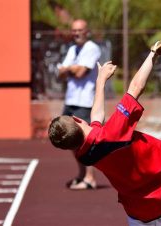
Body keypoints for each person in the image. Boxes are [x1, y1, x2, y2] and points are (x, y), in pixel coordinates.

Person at [49, 42, 161, 226]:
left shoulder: (84, 154)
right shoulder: (113, 132)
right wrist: (153, 54)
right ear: (77, 119)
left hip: (135, 204)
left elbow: (96, 117)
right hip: (160, 191)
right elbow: (136, 88)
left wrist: (100, 81)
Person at [56, 19, 101, 190]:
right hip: (71, 100)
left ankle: (90, 178)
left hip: (85, 102)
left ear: (86, 31)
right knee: (70, 140)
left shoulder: (92, 48)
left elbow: (81, 72)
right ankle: (81, 174)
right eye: (74, 30)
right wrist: (70, 69)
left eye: (80, 30)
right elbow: (60, 74)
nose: (76, 33)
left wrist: (68, 69)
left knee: (85, 141)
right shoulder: (73, 49)